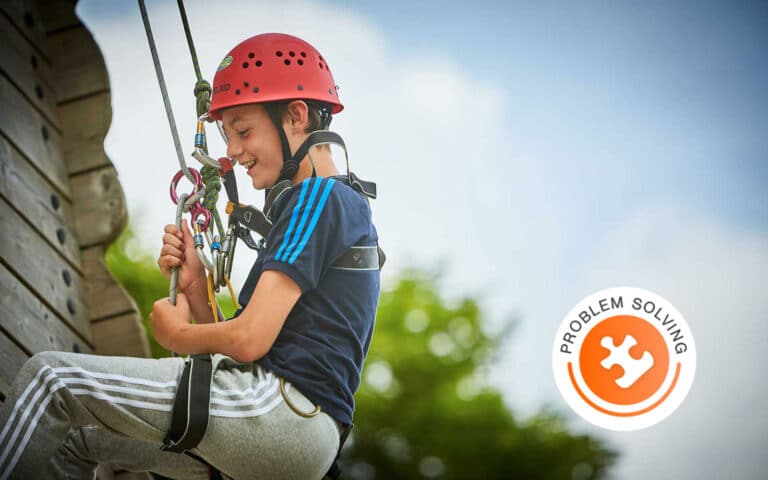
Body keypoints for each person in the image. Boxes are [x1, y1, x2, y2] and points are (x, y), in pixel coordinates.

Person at [0, 33, 382, 480]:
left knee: (51, 380)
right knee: (85, 447)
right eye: (227, 136)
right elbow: (250, 353)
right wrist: (197, 293)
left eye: (242, 131)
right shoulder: (336, 208)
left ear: (296, 116)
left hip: (282, 414)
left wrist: (177, 334)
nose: (233, 151)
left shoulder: (319, 197)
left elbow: (248, 340)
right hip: (291, 430)